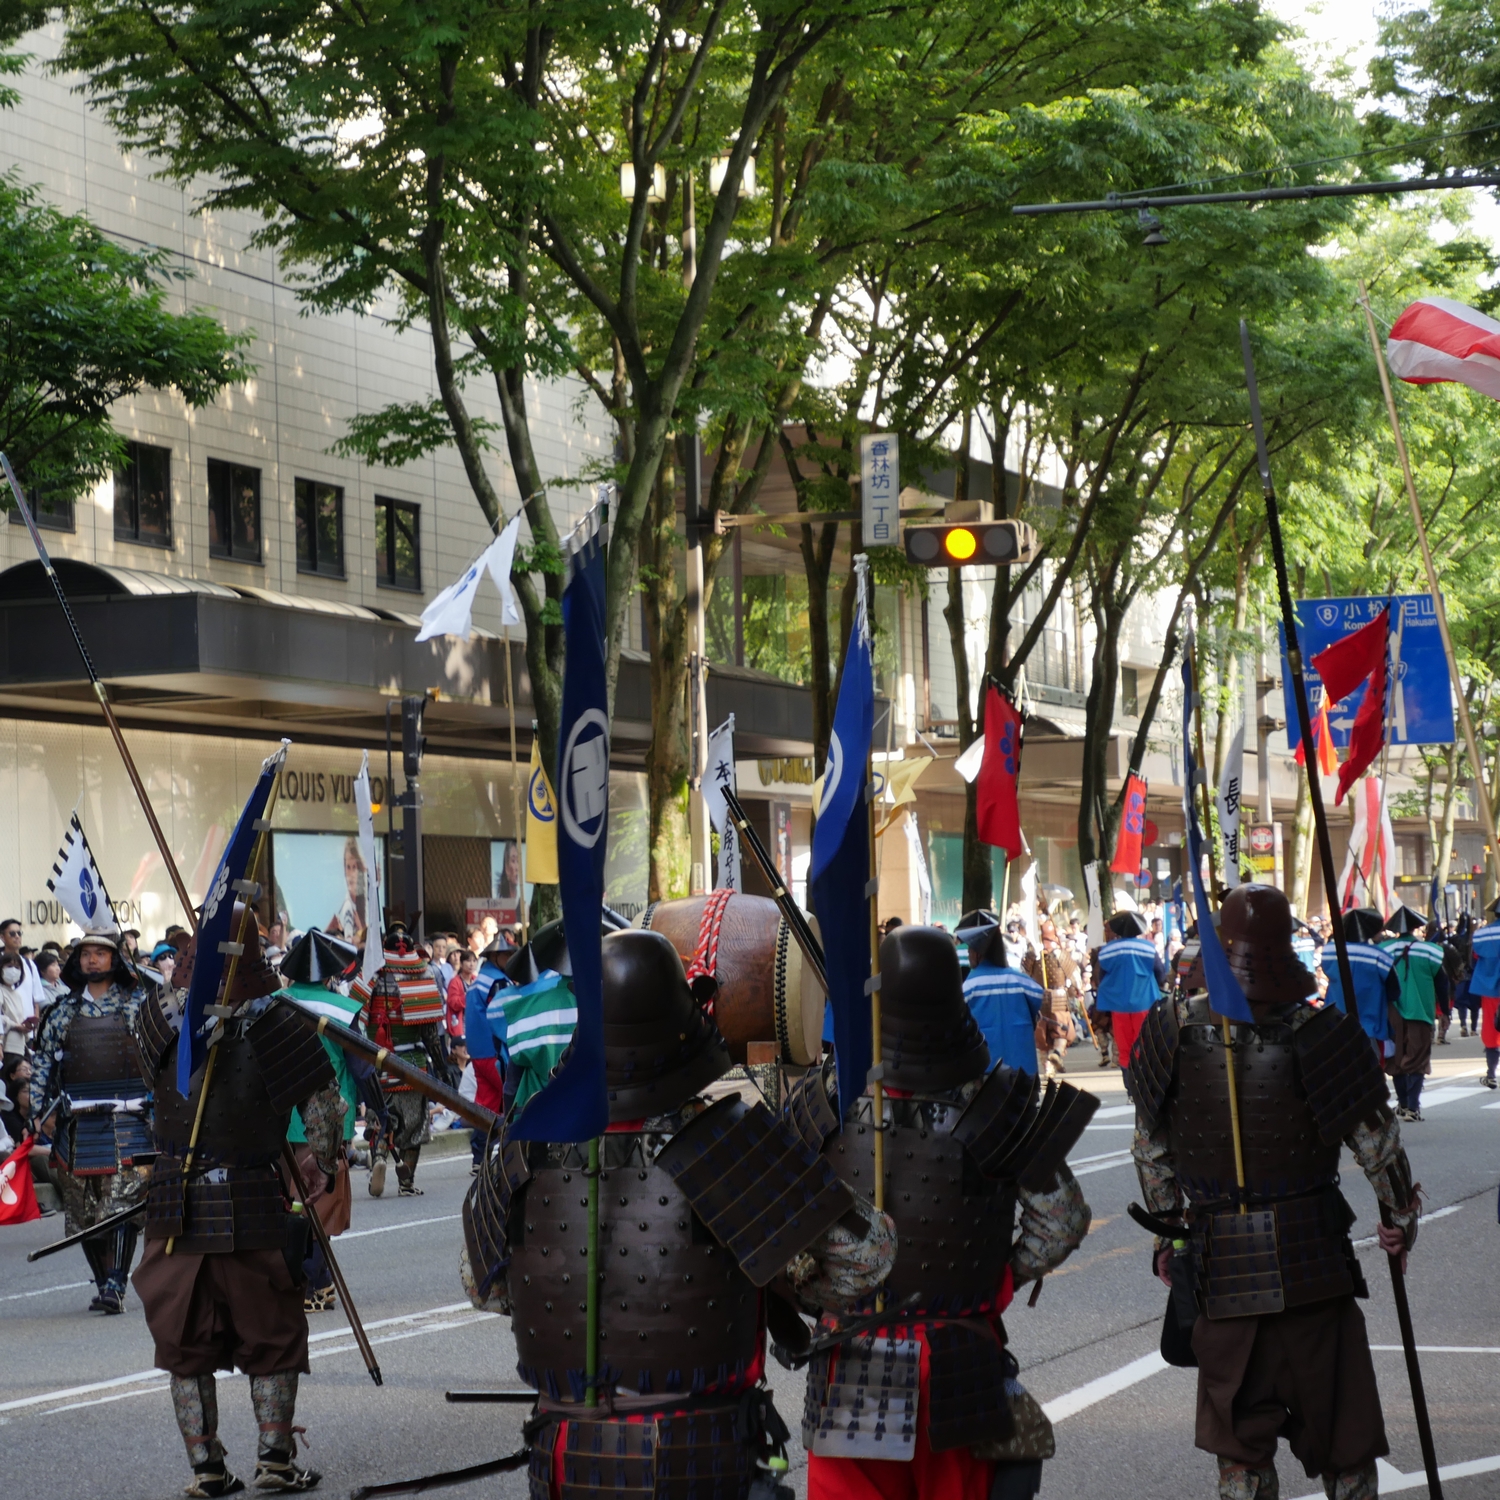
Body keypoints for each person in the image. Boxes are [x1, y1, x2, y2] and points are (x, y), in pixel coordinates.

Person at [463, 927, 896, 1500]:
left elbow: (486, 1288)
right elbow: (868, 1258)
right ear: (682, 1023)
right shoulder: (734, 1142)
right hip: (697, 1458)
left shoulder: (523, 1147)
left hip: (566, 1462)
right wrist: (772, 1268)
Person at [1128, 884, 1418, 1500]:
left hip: (1221, 1272)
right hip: (1314, 1270)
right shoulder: (1323, 1031)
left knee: (1241, 1458)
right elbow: (1379, 1146)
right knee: (1345, 1445)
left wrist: (1168, 1237)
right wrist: (1400, 1220)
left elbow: (1150, 1151)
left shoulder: (1170, 1028)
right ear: (1286, 946)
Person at [804, 925, 1093, 1500]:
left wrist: (822, 1287)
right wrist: (994, 1276)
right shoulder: (997, 1099)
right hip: (957, 1353)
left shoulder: (822, 1098)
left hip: (849, 1355)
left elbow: (779, 1230)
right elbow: (1061, 1222)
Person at [132, 905, 341, 1495]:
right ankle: (274, 1460)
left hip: (174, 1200)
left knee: (183, 1341)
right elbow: (324, 1116)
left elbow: (146, 1083)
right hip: (250, 1197)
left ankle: (207, 1470)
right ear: (255, 954)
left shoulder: (155, 1015)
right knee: (272, 1334)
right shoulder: (281, 1024)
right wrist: (321, 1165)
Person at [27, 931, 150, 1313]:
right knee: (83, 1212)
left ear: (115, 960)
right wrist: (37, 1112)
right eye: (86, 954)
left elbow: (158, 1060)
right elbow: (43, 1065)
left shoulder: (137, 1006)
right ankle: (102, 1282)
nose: (92, 960)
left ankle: (116, 1283)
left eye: (100, 953)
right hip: (76, 1125)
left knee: (122, 1204)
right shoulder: (61, 1012)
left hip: (129, 1119)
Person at [349, 921, 447, 1196]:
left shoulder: (371, 977)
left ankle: (379, 1156)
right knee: (414, 1126)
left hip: (377, 1065)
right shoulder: (422, 975)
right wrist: (442, 1067)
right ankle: (406, 1182)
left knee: (381, 1118)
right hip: (412, 1065)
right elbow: (430, 1034)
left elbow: (354, 1018)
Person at [958, 909, 1044, 1074]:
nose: (968, 954)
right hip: (1024, 1070)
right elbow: (1038, 997)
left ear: (977, 953)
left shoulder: (968, 988)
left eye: (970, 950)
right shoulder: (1021, 981)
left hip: (987, 1071)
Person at [1380, 906, 1445, 1121]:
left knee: (1396, 1058)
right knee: (1418, 1058)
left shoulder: (1382, 950)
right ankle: (1413, 1107)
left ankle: (1402, 1103)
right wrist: (1445, 1011)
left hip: (1391, 1012)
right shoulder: (1431, 951)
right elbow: (1442, 982)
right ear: (1416, 927)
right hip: (1421, 1011)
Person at [1092, 911, 1166, 1071]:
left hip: (1118, 1005)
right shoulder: (1148, 948)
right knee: (1144, 1041)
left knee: (1124, 1045)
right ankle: (1144, 1073)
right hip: (1145, 1003)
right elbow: (1160, 973)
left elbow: (1101, 976)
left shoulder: (1107, 950)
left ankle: (1128, 1078)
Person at [1319, 908, 1396, 1059]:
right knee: (1370, 1066)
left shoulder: (1329, 951)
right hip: (1370, 1025)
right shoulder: (1380, 956)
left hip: (1335, 1022)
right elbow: (1394, 991)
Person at [1024, 919, 1086, 1075]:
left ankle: (1048, 1068)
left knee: (1042, 1036)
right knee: (1063, 1031)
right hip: (1059, 998)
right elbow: (1074, 974)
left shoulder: (1032, 955)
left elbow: (1024, 974)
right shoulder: (1060, 954)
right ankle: (1057, 1054)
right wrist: (1079, 990)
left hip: (1039, 998)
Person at [1468, 899, 1500, 1088]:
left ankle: (1491, 1073)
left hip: (1489, 988)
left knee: (1491, 1028)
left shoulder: (1481, 934)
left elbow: (1474, 957)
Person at [329, 835, 367, 940]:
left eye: (354, 867)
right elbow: (348, 943)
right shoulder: (348, 907)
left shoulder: (363, 902)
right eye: (348, 867)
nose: (351, 874)